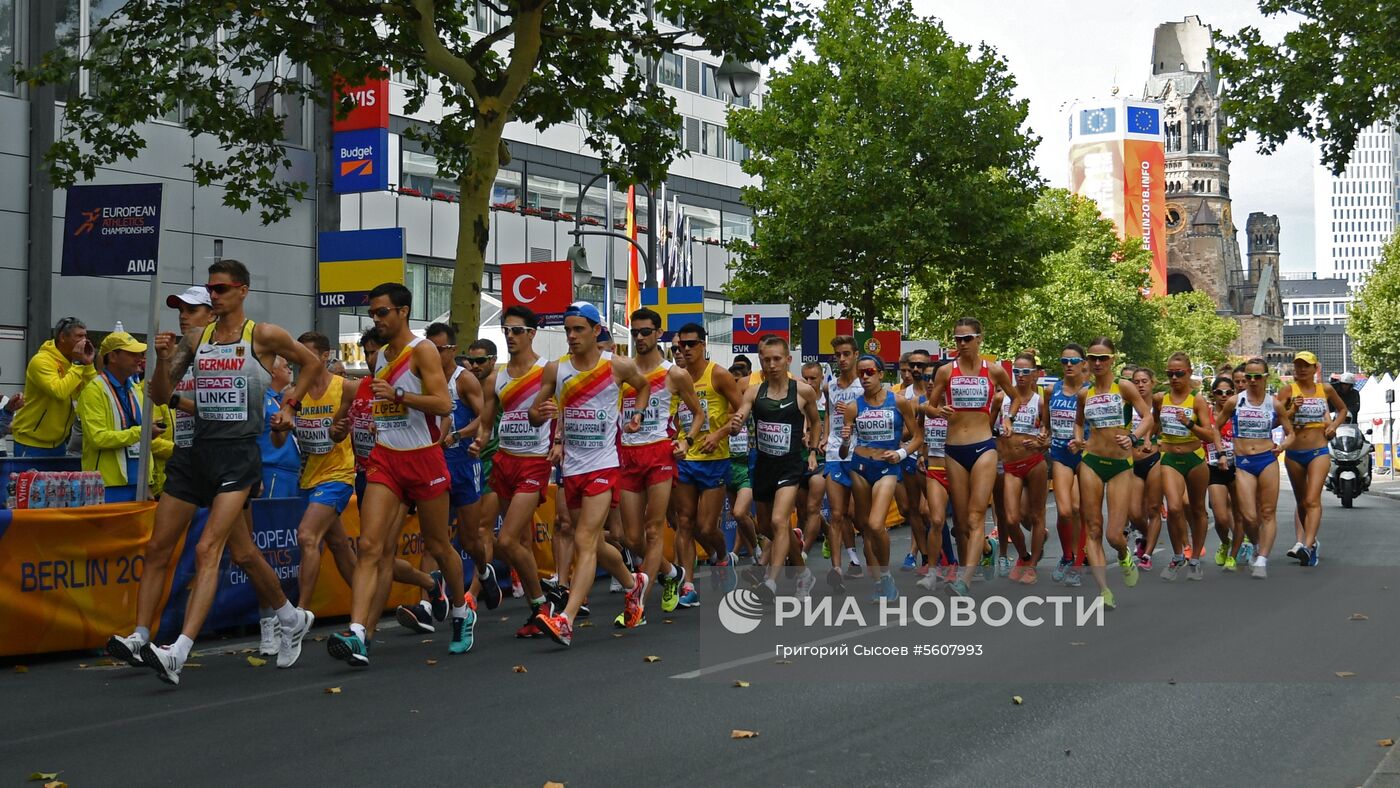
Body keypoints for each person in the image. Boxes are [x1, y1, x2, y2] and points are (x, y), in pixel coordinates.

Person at [130, 259, 324, 684]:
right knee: (235, 551)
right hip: (196, 454)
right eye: (210, 289)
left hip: (239, 455)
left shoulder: (263, 334)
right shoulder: (197, 339)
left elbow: (311, 363)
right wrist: (163, 360)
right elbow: (161, 395)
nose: (213, 296)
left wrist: (290, 404)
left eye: (220, 289)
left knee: (207, 550)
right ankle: (290, 618)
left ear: (242, 291)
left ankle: (178, 652)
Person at [327, 282, 471, 666]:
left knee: (438, 546)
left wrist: (399, 397)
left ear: (403, 311)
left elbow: (443, 404)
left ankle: (461, 610)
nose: (377, 319)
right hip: (386, 460)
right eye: (373, 313)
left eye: (383, 312)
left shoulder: (422, 351)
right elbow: (380, 405)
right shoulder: (380, 357)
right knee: (372, 547)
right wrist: (358, 422)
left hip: (424, 459)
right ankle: (357, 633)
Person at [530, 302, 650, 646]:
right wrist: (542, 413)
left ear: (597, 331)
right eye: (567, 329)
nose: (571, 336)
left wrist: (637, 414)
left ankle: (565, 619)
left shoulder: (618, 366)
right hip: (572, 467)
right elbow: (533, 415)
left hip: (605, 463)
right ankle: (633, 584)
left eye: (579, 329)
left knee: (583, 540)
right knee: (595, 542)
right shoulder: (556, 370)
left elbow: (641, 388)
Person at [618, 308, 705, 616]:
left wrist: (687, 441)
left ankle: (637, 603)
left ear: (658, 334)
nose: (639, 338)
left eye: (645, 332)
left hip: (659, 454)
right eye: (635, 333)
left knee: (654, 531)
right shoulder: (623, 370)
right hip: (627, 455)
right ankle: (672, 574)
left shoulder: (674, 374)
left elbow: (698, 414)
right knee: (630, 537)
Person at [925, 318, 1021, 597]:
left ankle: (964, 579)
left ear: (980, 339)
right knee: (964, 520)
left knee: (977, 515)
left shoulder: (993, 371)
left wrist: (1008, 420)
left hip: (983, 447)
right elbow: (929, 408)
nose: (962, 344)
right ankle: (986, 551)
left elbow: (1015, 398)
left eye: (968, 338)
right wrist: (938, 411)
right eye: (958, 339)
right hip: (953, 449)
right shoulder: (944, 372)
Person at [474, 308, 552, 638]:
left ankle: (542, 605)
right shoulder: (497, 377)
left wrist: (560, 440)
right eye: (506, 330)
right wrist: (477, 441)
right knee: (518, 540)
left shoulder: (548, 370)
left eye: (517, 331)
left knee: (505, 539)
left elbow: (565, 407)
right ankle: (540, 607)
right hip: (505, 460)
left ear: (532, 333)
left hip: (534, 461)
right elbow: (487, 423)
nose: (510, 336)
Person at [729, 335, 824, 599]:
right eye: (766, 359)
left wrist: (813, 450)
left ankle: (770, 581)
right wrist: (737, 424)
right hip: (763, 465)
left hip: (790, 466)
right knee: (768, 528)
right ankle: (804, 573)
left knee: (779, 520)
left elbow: (816, 422)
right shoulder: (753, 391)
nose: (771, 364)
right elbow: (742, 414)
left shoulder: (802, 391)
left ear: (788, 360)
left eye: (777, 359)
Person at [1072, 337, 1153, 609]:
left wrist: (1133, 436)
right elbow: (1078, 423)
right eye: (1093, 358)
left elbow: (1148, 417)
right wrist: (1077, 440)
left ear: (1112, 359)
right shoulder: (1085, 393)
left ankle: (1123, 553)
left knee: (1113, 534)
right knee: (1093, 528)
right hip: (1092, 461)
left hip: (1120, 465)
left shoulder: (1125, 387)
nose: (1097, 363)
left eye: (1103, 358)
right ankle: (1104, 590)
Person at [426, 322, 498, 611]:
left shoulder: (463, 379)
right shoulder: (423, 380)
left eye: (440, 349)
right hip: (434, 466)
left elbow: (484, 419)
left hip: (464, 464)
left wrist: (459, 435)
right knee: (435, 538)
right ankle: (429, 604)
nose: (434, 355)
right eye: (429, 349)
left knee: (470, 539)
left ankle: (483, 571)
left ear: (452, 350)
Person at [671, 322, 744, 607]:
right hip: (685, 457)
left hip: (714, 458)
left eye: (690, 344)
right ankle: (687, 584)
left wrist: (719, 433)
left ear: (703, 344)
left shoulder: (719, 375)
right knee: (684, 523)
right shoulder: (675, 377)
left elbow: (741, 413)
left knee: (705, 526)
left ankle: (723, 557)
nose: (684, 350)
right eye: (679, 346)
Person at [838, 354, 921, 600]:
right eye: (860, 373)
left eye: (869, 372)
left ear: (881, 374)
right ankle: (878, 582)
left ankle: (885, 576)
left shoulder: (898, 402)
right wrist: (844, 440)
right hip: (860, 466)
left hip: (887, 467)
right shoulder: (853, 407)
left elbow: (917, 438)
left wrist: (901, 452)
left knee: (876, 524)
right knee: (864, 527)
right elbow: (844, 451)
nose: (864, 377)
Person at [289, 331, 358, 609]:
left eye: (306, 353)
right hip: (308, 478)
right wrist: (280, 429)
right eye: (297, 354)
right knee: (339, 545)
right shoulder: (294, 394)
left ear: (325, 355)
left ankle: (301, 612)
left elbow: (369, 419)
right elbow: (278, 440)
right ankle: (369, 606)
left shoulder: (346, 387)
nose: (300, 359)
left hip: (338, 475)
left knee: (307, 535)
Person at [1214, 357, 1282, 578]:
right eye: (1248, 377)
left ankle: (1262, 559)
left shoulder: (1274, 403)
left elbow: (1289, 430)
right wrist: (1222, 453)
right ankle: (1256, 545)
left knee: (1268, 512)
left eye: (1257, 377)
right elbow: (1215, 428)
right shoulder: (1235, 401)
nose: (1252, 381)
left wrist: (1282, 446)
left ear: (1265, 378)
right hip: (1243, 462)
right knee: (1249, 516)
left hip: (1266, 460)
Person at [1155, 353, 1220, 581]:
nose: (1174, 377)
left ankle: (1195, 560)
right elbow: (1153, 424)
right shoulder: (1160, 398)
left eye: (1179, 373)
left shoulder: (1197, 400)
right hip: (1170, 458)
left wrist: (1189, 423)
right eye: (1170, 373)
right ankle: (1177, 556)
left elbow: (1210, 435)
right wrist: (1150, 441)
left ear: (1189, 372)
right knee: (1173, 508)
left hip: (1194, 457)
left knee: (1197, 509)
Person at [1279, 350, 1347, 567]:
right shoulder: (1288, 390)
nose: (1301, 369)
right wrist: (1292, 410)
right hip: (1294, 453)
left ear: (1315, 368)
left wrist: (1333, 426)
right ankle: (1310, 540)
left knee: (1312, 499)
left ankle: (1307, 547)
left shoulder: (1324, 389)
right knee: (1301, 502)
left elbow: (1342, 409)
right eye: (1298, 365)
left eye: (1306, 365)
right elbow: (1276, 417)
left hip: (1318, 450)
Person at [78, 332, 163, 502]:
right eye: (132, 353)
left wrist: (147, 480)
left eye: (140, 353)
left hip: (139, 482)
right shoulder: (93, 390)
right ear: (113, 356)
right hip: (107, 485)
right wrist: (143, 432)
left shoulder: (135, 389)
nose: (139, 358)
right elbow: (98, 438)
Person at [11, 317, 96, 457]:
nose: (85, 341)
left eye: (86, 336)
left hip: (59, 443)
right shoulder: (41, 361)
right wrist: (78, 364)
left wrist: (88, 364)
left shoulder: (76, 363)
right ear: (62, 337)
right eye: (79, 336)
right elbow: (59, 391)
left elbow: (93, 391)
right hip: (31, 442)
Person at [999, 351, 1049, 583]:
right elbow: (987, 427)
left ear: (1035, 375)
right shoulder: (1002, 399)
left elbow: (1049, 433)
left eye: (1025, 372)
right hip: (1010, 464)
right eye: (1016, 371)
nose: (1020, 376)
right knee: (1012, 518)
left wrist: (1041, 441)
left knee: (1037, 516)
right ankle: (1023, 555)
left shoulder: (1040, 400)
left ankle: (1032, 566)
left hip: (1034, 463)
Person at [823, 335, 866, 591]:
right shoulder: (830, 387)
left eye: (846, 354)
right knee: (837, 514)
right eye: (838, 355)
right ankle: (837, 569)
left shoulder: (865, 385)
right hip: (834, 454)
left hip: (860, 455)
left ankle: (868, 564)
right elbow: (829, 415)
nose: (842, 359)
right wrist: (825, 436)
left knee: (859, 518)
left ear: (856, 355)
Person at [1047, 345, 1088, 585]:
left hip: (1085, 455)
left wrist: (1085, 443)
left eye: (1073, 361)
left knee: (1079, 509)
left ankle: (1078, 564)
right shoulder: (1052, 390)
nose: (1068, 365)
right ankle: (1066, 555)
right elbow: (1045, 423)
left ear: (1084, 364)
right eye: (1064, 361)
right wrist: (1044, 435)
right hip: (1060, 452)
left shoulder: (1089, 392)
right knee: (1064, 511)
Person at [916, 360, 956, 590]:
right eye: (926, 379)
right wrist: (923, 454)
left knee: (962, 526)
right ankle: (935, 570)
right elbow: (920, 431)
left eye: (934, 378)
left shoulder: (957, 406)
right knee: (935, 518)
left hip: (958, 469)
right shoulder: (924, 407)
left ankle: (985, 549)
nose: (930, 383)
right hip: (935, 469)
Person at [1206, 375, 1247, 571]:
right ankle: (1224, 542)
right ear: (1213, 394)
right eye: (1219, 392)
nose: (1224, 396)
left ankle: (1233, 556)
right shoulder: (1206, 413)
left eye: (1229, 392)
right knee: (1221, 517)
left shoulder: (1239, 411)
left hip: (1238, 466)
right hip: (1214, 466)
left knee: (1239, 515)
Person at [896, 350, 932, 572]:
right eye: (912, 365)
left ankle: (937, 554)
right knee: (909, 510)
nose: (916, 370)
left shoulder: (938, 392)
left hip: (935, 456)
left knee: (929, 511)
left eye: (921, 366)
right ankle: (925, 556)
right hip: (908, 456)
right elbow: (902, 431)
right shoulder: (902, 396)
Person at [1126, 367, 1164, 570]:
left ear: (1152, 383)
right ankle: (1147, 537)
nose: (1140, 385)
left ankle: (1147, 554)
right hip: (1132, 461)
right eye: (1136, 381)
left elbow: (1162, 426)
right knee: (1134, 513)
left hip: (1154, 459)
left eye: (1144, 381)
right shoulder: (1127, 405)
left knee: (1152, 508)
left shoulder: (1158, 404)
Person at [726, 363, 760, 564]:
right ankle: (753, 551)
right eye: (732, 383)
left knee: (739, 513)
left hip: (747, 467)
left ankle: (755, 548)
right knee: (741, 515)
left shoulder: (750, 409)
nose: (736, 387)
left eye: (739, 382)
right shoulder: (722, 410)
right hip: (728, 466)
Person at [797, 362, 830, 557]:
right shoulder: (798, 399)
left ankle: (803, 553)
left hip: (821, 459)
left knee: (812, 508)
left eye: (813, 378)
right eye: (805, 378)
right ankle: (827, 531)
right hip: (799, 459)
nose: (809, 382)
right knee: (802, 511)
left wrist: (823, 439)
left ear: (821, 378)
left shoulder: (828, 402)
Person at [258, 356, 302, 498]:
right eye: (285, 367)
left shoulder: (281, 399)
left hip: (290, 472)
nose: (290, 370)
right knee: (272, 518)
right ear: (272, 372)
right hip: (271, 470)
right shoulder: (261, 398)